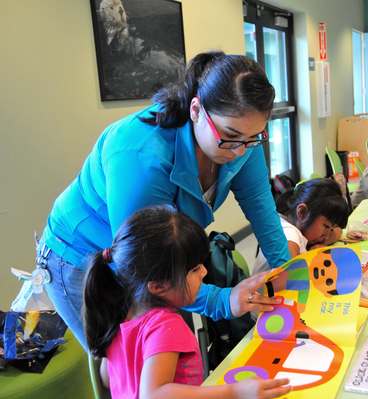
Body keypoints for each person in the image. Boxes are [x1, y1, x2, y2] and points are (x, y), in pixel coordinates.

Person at [35, 51, 291, 347]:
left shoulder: (241, 135)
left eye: (254, 138)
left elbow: (261, 207)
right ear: (196, 110)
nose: (240, 151)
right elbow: (144, 265)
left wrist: (288, 273)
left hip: (155, 258)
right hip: (82, 256)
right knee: (123, 366)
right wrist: (222, 301)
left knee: (172, 348)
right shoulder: (143, 156)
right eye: (230, 136)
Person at [83, 205, 291, 399]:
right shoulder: (165, 325)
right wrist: (235, 391)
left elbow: (108, 378)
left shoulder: (119, 316)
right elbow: (153, 394)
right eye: (194, 269)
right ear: (159, 286)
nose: (204, 271)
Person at [253, 178, 350, 275]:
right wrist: (315, 257)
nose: (327, 236)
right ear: (302, 212)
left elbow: (338, 231)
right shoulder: (289, 235)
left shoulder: (292, 221)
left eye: (330, 229)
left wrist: (318, 244)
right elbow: (295, 279)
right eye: (326, 226)